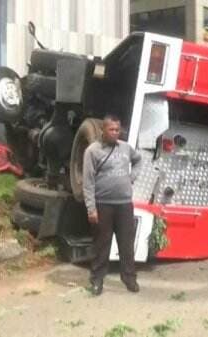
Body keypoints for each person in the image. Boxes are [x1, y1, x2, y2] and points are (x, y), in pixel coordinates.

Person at [83, 115, 142, 296]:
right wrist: (91, 208)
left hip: (124, 205)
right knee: (102, 245)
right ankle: (97, 280)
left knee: (126, 244)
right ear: (103, 130)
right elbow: (88, 181)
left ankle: (129, 278)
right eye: (112, 129)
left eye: (117, 130)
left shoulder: (125, 148)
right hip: (103, 205)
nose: (115, 133)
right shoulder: (93, 151)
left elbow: (138, 160)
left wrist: (130, 178)